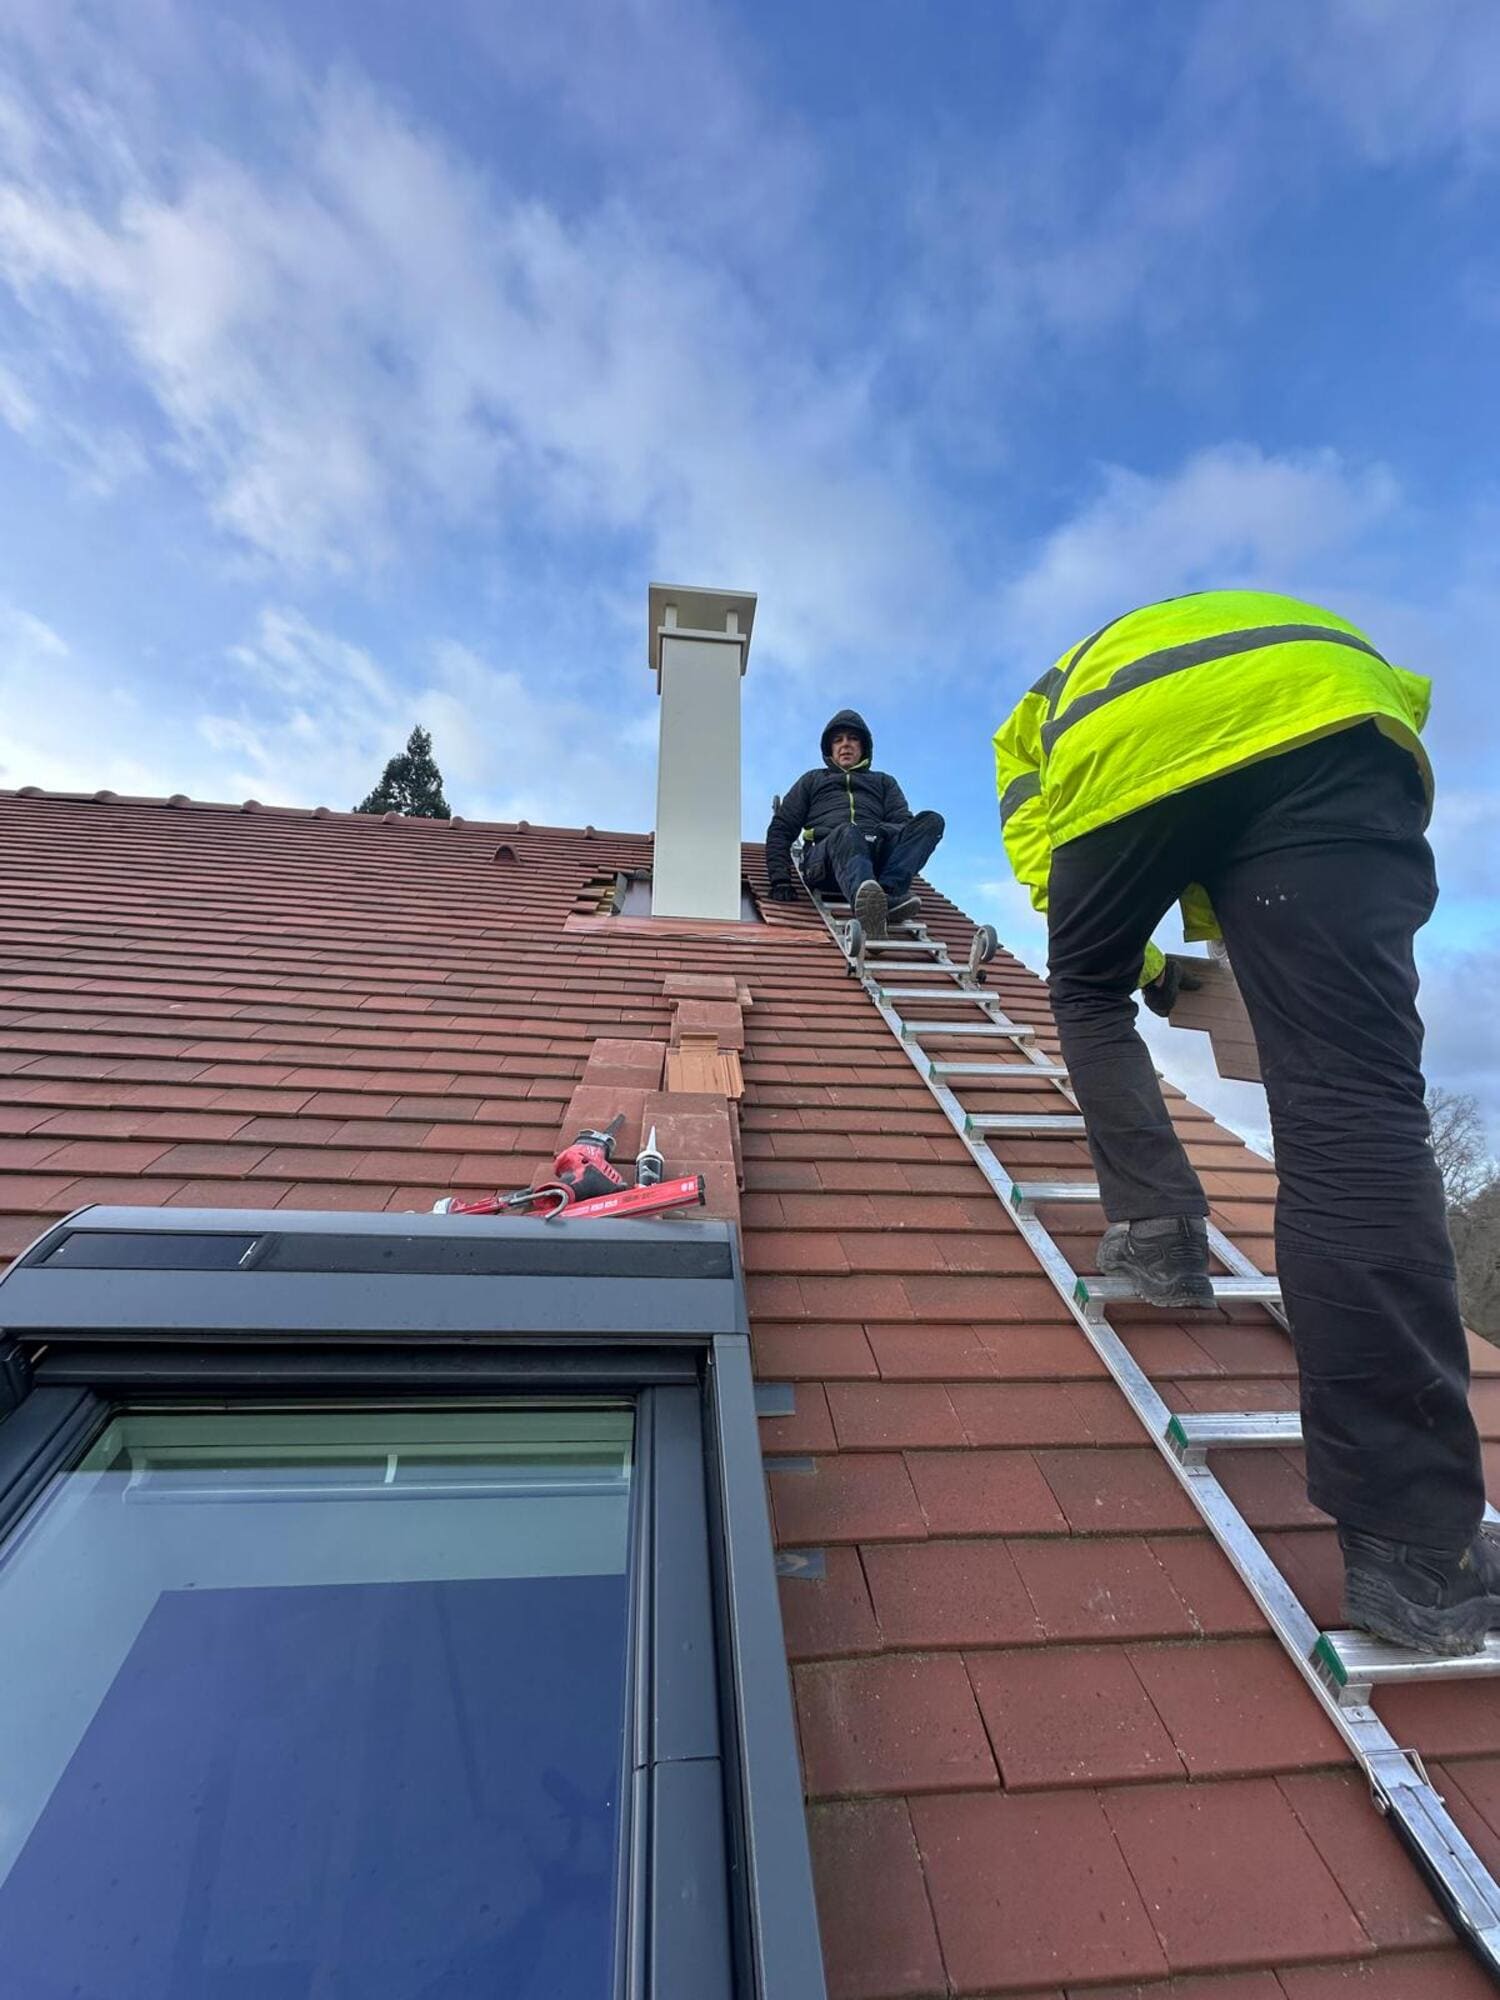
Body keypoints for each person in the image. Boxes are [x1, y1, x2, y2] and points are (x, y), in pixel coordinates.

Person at [993, 587, 1496, 1657]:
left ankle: (1159, 1231)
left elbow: (1052, 851)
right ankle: (1417, 1551)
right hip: (1332, 710)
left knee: (1082, 987)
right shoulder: (1242, 630)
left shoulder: (1044, 710)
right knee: (1357, 1110)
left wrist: (1129, 962)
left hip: (1132, 750)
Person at [765, 709, 945, 938]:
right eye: (838, 740)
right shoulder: (812, 780)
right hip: (827, 863)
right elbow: (781, 828)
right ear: (830, 748)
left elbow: (903, 823)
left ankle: (885, 895)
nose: (845, 745)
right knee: (848, 831)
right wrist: (780, 879)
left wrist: (877, 834)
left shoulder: (884, 782)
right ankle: (870, 906)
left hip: (874, 860)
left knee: (931, 821)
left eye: (853, 739)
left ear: (863, 746)